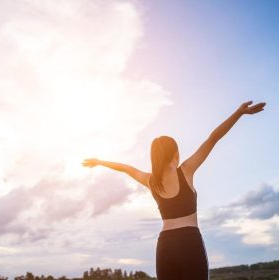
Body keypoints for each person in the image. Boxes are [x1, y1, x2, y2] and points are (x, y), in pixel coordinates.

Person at [82, 100, 266, 280]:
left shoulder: (150, 181)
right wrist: (239, 113)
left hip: (165, 247)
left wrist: (99, 162)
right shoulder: (186, 171)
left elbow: (126, 168)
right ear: (175, 154)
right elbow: (213, 138)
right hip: (189, 243)